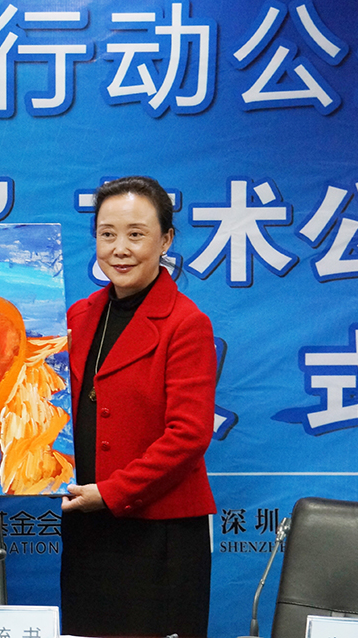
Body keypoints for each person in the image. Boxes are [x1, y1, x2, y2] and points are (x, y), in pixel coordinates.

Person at [60, 176, 217, 637]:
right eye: (107, 234)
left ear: (165, 240)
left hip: (160, 531)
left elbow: (189, 435)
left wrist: (111, 492)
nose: (120, 249)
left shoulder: (186, 323)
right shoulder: (79, 316)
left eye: (136, 234)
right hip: (87, 523)